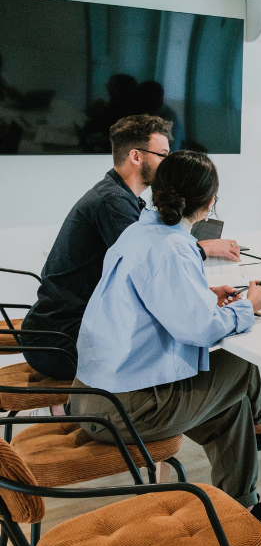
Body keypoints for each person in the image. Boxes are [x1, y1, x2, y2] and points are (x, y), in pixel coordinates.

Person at [71, 150, 261, 539]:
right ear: (210, 202)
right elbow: (200, 331)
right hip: (123, 409)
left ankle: (242, 512)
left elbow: (157, 303)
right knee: (238, 363)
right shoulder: (173, 248)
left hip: (91, 395)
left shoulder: (139, 232)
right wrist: (248, 305)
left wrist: (204, 294)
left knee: (231, 408)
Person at [20, 115, 242, 389]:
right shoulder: (114, 203)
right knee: (184, 349)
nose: (168, 164)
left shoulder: (119, 196)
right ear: (136, 156)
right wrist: (204, 250)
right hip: (62, 342)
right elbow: (151, 266)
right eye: (163, 155)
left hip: (56, 331)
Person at [139, 80, 185, 152]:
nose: (140, 99)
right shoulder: (144, 113)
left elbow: (173, 147)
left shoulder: (169, 117)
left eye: (143, 96)